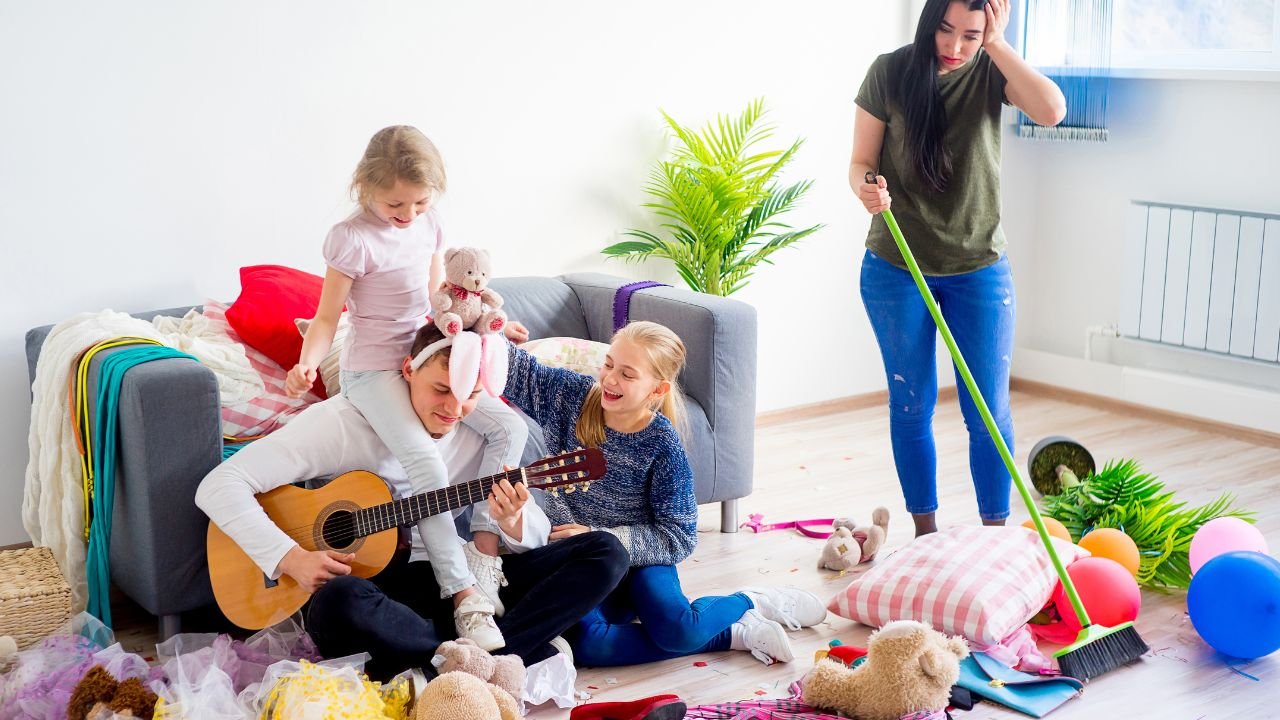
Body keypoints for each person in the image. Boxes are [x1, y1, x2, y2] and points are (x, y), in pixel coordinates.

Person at [198, 323, 628, 680]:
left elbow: (523, 543)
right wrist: (289, 558)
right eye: (441, 389)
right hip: (384, 593)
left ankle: (467, 664)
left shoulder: (487, 431)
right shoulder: (341, 425)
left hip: (464, 590)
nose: (454, 409)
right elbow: (219, 485)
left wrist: (512, 521)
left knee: (606, 552)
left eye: (470, 395)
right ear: (408, 370)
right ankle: (488, 661)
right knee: (339, 601)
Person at [283, 125, 529, 649]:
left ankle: (482, 553)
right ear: (365, 185)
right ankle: (463, 597)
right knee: (427, 464)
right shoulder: (350, 238)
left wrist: (492, 325)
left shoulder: (429, 225)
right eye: (397, 201)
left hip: (425, 351)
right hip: (373, 369)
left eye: (420, 201)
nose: (409, 213)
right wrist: (307, 362)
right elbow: (327, 319)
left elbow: (443, 299)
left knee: (508, 426)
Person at [849, 0, 1066, 537]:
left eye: (970, 35)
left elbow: (1052, 110)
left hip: (980, 268)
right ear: (928, 21)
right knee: (911, 402)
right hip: (896, 267)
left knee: (988, 411)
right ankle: (927, 537)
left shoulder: (993, 70)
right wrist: (866, 190)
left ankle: (995, 537)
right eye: (945, 30)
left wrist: (994, 45)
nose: (954, 47)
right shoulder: (890, 71)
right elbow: (860, 163)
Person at [501, 320, 828, 667]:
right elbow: (512, 370)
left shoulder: (662, 445)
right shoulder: (569, 396)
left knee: (678, 632)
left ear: (657, 390)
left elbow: (679, 536)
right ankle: (733, 634)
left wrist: (604, 538)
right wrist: (493, 334)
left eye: (628, 374)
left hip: (642, 561)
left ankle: (752, 602)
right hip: (581, 565)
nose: (610, 379)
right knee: (587, 646)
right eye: (609, 364)